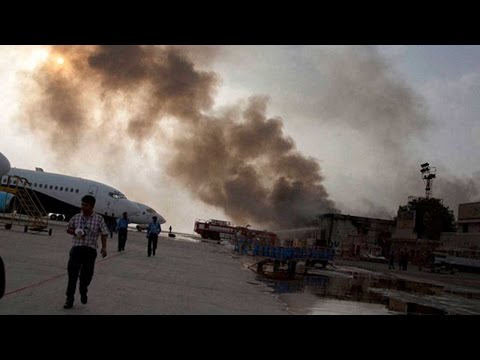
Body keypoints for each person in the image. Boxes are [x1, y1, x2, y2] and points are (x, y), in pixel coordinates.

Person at [63, 195, 108, 309]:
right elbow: (68, 228)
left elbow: (104, 233)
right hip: (76, 249)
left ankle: (83, 290)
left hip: (90, 250)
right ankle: (69, 299)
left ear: (92, 206)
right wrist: (75, 232)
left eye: (86, 205)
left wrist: (104, 247)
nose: (83, 207)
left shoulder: (99, 219)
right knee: (72, 275)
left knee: (86, 276)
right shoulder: (76, 217)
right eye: (82, 204)